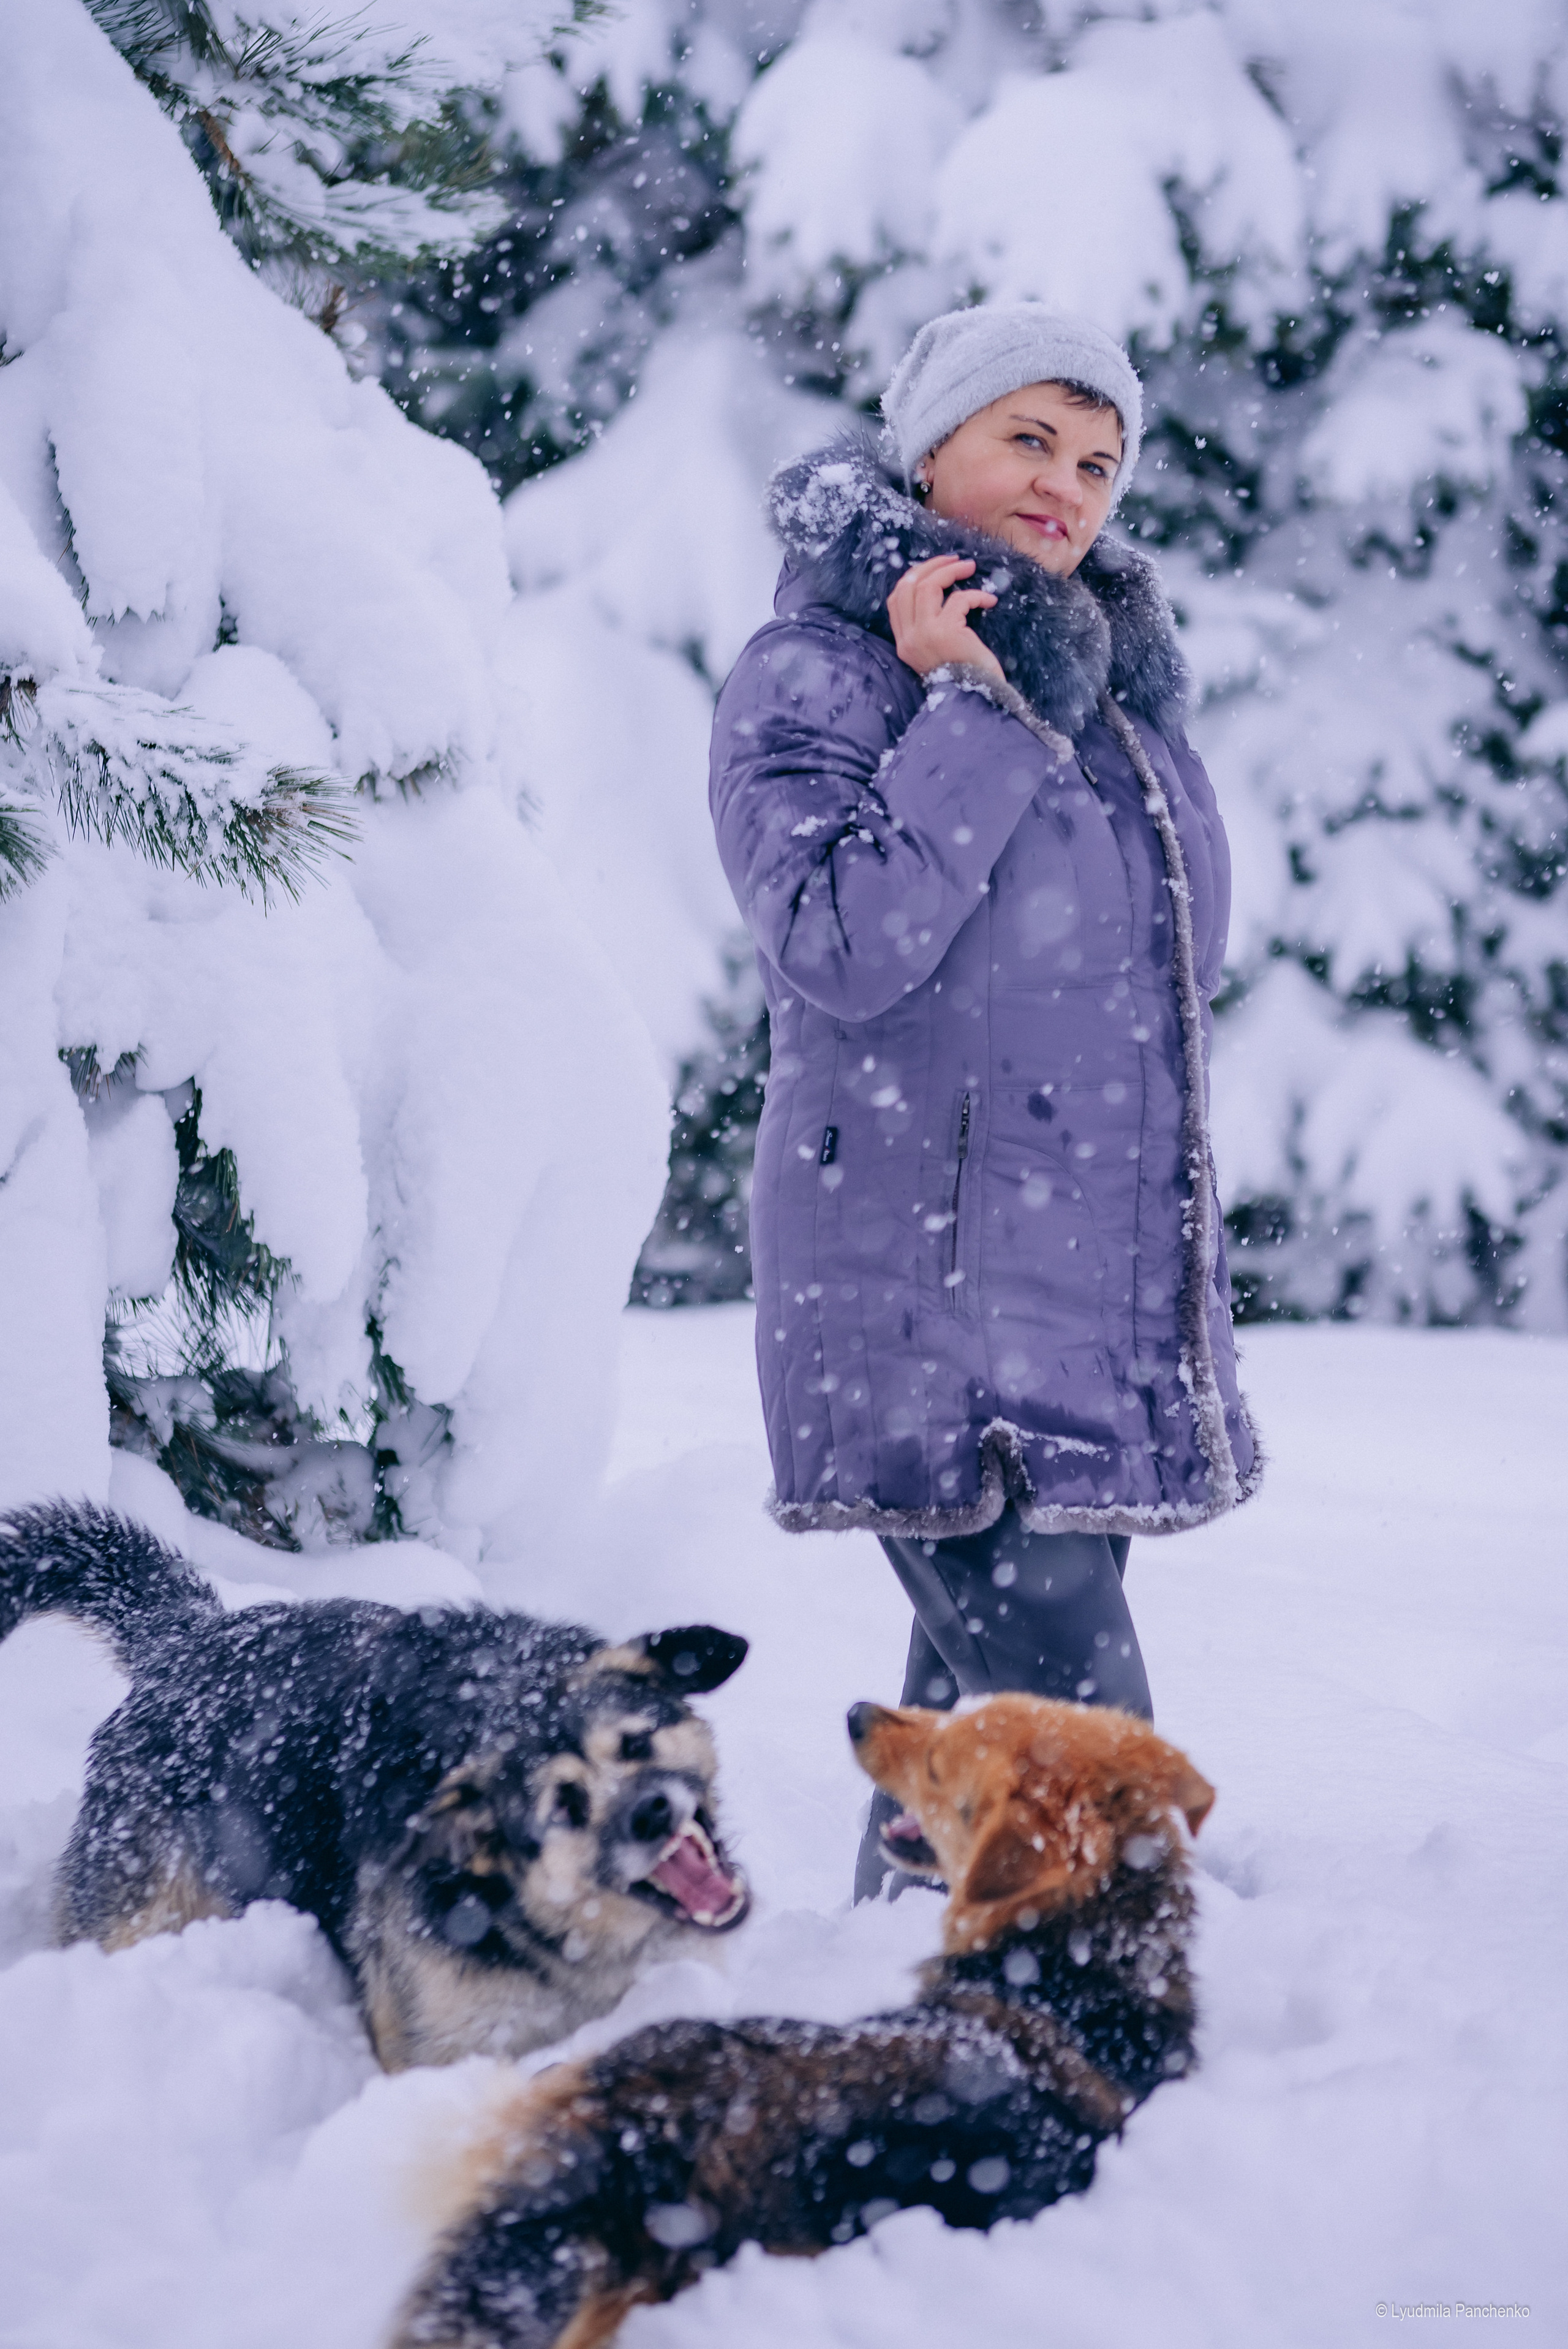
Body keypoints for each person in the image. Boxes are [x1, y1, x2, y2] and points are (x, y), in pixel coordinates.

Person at [708, 305, 1260, 1899]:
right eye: (1029, 438)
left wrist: (1030, 701)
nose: (1067, 485)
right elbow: (839, 942)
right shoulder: (821, 671)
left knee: (982, 1740)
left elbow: (1159, 997)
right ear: (929, 445)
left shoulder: (1120, 707)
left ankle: (896, 2000)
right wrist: (967, 705)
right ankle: (1119, 2064)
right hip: (924, 1290)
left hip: (1086, 1294)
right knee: (1089, 1754)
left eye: (1099, 459)